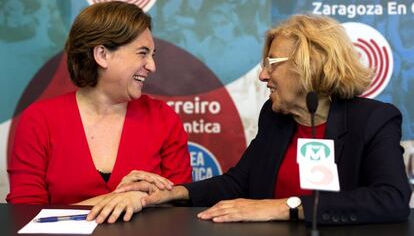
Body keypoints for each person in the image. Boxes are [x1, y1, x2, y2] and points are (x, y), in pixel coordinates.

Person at [88, 14, 412, 225]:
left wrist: (286, 207)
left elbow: (392, 199)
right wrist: (175, 193)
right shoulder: (275, 118)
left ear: (310, 64)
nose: (263, 75)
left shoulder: (374, 120)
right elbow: (238, 182)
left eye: (272, 63)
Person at [6, 1, 192, 222]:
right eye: (142, 53)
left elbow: (182, 204)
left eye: (152, 54)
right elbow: (25, 216)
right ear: (102, 55)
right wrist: (117, 199)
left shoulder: (163, 118)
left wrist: (138, 199)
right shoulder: (39, 120)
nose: (152, 66)